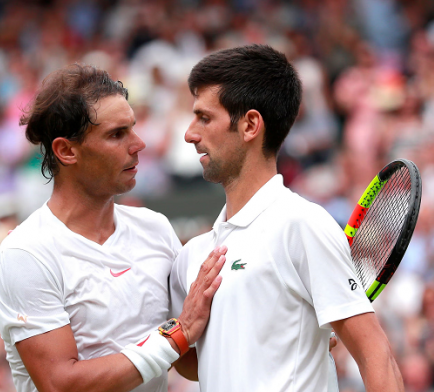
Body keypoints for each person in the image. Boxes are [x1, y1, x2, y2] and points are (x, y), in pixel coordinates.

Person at [169, 44, 404, 392]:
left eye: (204, 117)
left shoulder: (301, 224)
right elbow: (196, 364)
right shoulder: (192, 256)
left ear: (250, 125)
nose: (190, 133)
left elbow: (375, 354)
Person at [0, 64, 226, 392]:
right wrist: (178, 333)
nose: (138, 144)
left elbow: (187, 361)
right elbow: (60, 384)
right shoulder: (25, 253)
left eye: (133, 128)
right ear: (66, 151)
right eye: (117, 134)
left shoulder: (155, 228)